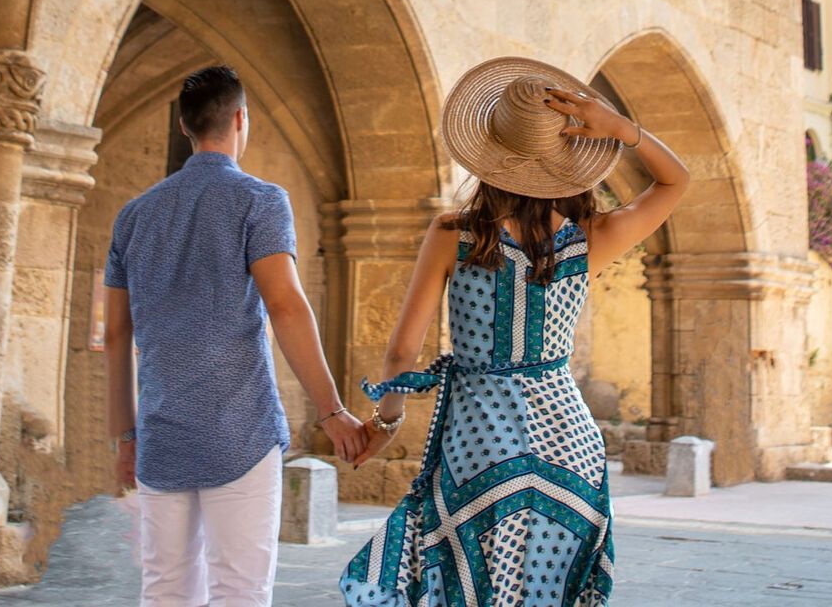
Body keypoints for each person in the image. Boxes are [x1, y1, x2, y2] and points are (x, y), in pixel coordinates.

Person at [340, 56, 689, 606]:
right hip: (568, 444)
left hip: (479, 440)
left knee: (472, 586)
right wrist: (623, 130)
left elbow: (403, 350)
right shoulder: (589, 240)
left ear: (488, 156)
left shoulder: (453, 235)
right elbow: (675, 181)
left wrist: (387, 423)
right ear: (570, 160)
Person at [104, 65, 366, 606]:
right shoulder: (260, 200)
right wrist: (331, 409)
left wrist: (126, 439)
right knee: (241, 591)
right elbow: (286, 306)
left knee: (165, 590)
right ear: (241, 119)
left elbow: (114, 335)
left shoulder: (132, 217)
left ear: (184, 126)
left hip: (160, 431)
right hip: (239, 429)